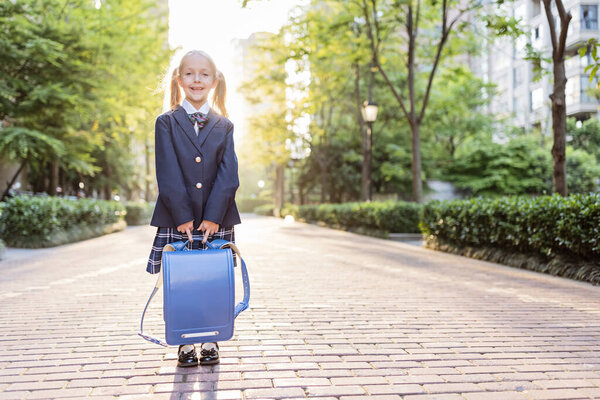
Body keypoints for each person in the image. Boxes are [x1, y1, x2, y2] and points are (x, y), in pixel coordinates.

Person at [146, 50, 241, 367]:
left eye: (203, 74)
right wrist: (183, 216)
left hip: (218, 219)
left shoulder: (224, 125)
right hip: (178, 218)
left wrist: (214, 216)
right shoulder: (166, 123)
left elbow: (229, 175)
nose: (196, 79)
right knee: (180, 283)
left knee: (214, 281)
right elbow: (167, 172)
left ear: (214, 81)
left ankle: (212, 338)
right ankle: (184, 341)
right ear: (178, 79)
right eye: (189, 73)